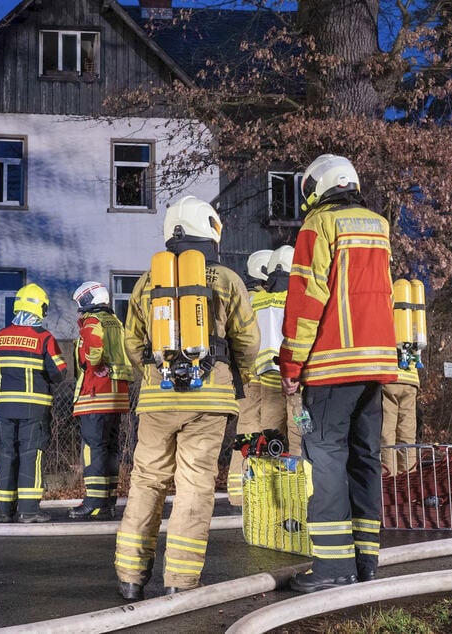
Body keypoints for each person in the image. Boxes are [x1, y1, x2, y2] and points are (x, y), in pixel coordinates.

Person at [115, 195, 257, 599]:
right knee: (194, 486)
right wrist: (240, 377)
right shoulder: (227, 280)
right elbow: (247, 340)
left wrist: (152, 372)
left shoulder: (147, 282)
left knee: (146, 482)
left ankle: (130, 577)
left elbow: (132, 342)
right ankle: (179, 581)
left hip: (157, 400)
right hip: (208, 401)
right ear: (208, 231)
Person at [278, 154, 397, 593]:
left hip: (332, 366)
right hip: (377, 366)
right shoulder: (378, 225)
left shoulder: (319, 225)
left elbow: (307, 300)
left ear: (317, 186)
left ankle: (332, 569)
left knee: (324, 461)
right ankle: (366, 561)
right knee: (364, 457)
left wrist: (291, 364)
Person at [0, 283, 67, 524]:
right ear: (40, 308)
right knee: (31, 454)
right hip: (34, 409)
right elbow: (59, 372)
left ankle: (4, 511)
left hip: (5, 408)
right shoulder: (44, 338)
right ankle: (28, 510)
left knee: (7, 454)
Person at [68, 281, 133, 520]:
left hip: (95, 394)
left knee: (93, 449)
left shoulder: (92, 322)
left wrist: (88, 363)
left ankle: (93, 502)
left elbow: (92, 352)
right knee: (111, 450)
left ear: (88, 300)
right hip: (117, 397)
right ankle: (108, 502)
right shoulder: (116, 322)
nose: (80, 310)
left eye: (80, 305)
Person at [227, 249, 271, 510]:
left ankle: (237, 491)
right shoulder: (269, 301)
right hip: (266, 376)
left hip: (243, 377)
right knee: (266, 430)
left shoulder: (245, 299)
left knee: (245, 430)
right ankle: (261, 489)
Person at [257, 246, 299, 455]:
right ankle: (303, 484)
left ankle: (270, 484)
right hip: (294, 377)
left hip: (265, 378)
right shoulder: (298, 301)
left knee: (270, 436)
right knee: (299, 432)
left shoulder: (255, 301)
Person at [381, 362, 421, 474]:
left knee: (387, 435)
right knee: (407, 436)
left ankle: (389, 482)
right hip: (411, 379)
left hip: (388, 376)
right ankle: (409, 482)